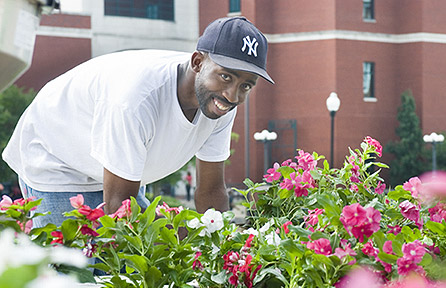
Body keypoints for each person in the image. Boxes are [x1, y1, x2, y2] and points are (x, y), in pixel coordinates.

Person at [2, 16, 273, 228]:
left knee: (129, 272)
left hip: (113, 170)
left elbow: (211, 190)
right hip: (56, 158)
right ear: (198, 62)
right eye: (226, 76)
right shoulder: (136, 98)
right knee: (75, 275)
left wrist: (222, 256)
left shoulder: (221, 103)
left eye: (246, 85)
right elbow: (119, 207)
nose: (233, 94)